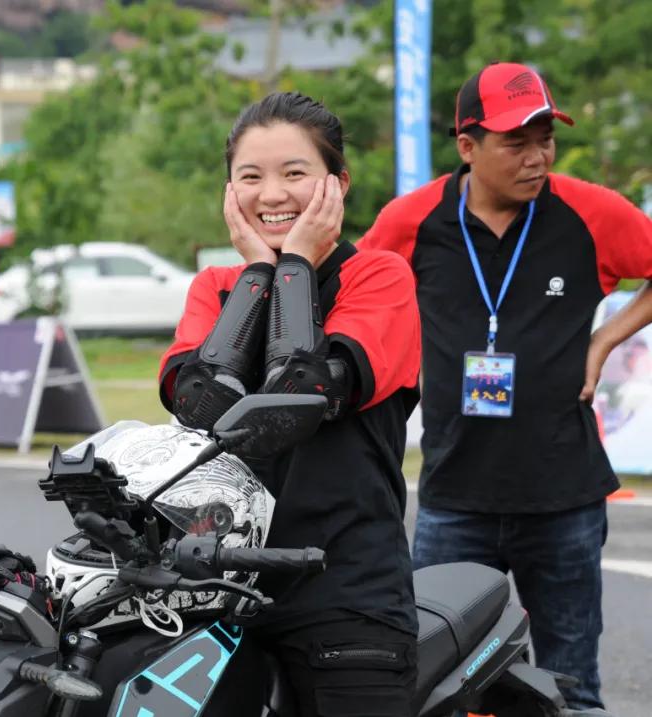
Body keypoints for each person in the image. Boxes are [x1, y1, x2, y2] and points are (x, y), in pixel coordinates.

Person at [358, 61, 652, 712]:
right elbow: (360, 293)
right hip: (452, 499)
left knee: (572, 691)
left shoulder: (590, 212)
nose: (537, 156)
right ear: (468, 146)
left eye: (546, 139)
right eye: (517, 142)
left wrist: (606, 339)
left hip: (565, 498)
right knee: (433, 686)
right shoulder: (413, 220)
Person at [159, 92, 422, 716]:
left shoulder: (379, 277)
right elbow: (199, 402)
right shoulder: (216, 286)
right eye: (250, 177)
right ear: (230, 191)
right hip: (218, 588)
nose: (272, 194)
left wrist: (296, 261)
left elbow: (299, 393)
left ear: (338, 184)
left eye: (295, 173)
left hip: (345, 590)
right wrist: (258, 271)